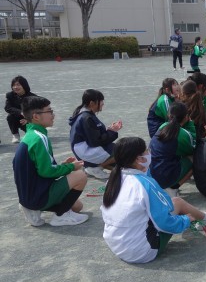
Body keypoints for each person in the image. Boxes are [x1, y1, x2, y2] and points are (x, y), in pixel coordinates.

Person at [100, 137, 206, 263]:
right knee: (177, 203)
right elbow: (163, 223)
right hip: (141, 251)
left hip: (116, 246)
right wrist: (185, 220)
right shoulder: (144, 185)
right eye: (146, 150)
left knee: (170, 205)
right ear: (139, 159)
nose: (149, 153)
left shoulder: (114, 179)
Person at [12, 96, 89, 227]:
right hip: (38, 195)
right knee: (80, 175)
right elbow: (46, 172)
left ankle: (32, 208)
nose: (53, 115)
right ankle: (60, 217)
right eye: (49, 111)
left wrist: (63, 166)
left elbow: (39, 169)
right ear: (36, 116)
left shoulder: (30, 135)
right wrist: (71, 167)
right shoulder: (39, 138)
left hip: (29, 195)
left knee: (77, 206)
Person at [68, 89, 122, 180]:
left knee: (121, 162)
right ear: (92, 103)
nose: (103, 103)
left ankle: (93, 166)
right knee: (123, 149)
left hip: (83, 148)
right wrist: (112, 132)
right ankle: (95, 167)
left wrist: (109, 130)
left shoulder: (84, 114)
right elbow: (95, 141)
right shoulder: (87, 118)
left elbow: (93, 135)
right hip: (86, 150)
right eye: (101, 101)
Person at [149, 102, 196, 196]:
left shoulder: (163, 126)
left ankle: (169, 185)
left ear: (169, 115)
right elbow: (193, 147)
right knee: (196, 157)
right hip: (165, 177)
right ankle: (173, 187)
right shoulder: (182, 134)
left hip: (152, 174)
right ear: (186, 117)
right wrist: (190, 124)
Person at [5, 75, 36, 144]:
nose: (15, 87)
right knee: (10, 116)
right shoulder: (10, 95)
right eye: (13, 85)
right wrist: (21, 112)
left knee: (33, 136)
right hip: (17, 118)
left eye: (18, 85)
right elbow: (8, 108)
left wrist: (28, 119)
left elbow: (38, 111)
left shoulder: (32, 97)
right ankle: (15, 135)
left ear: (24, 85)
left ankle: (30, 132)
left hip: (30, 120)